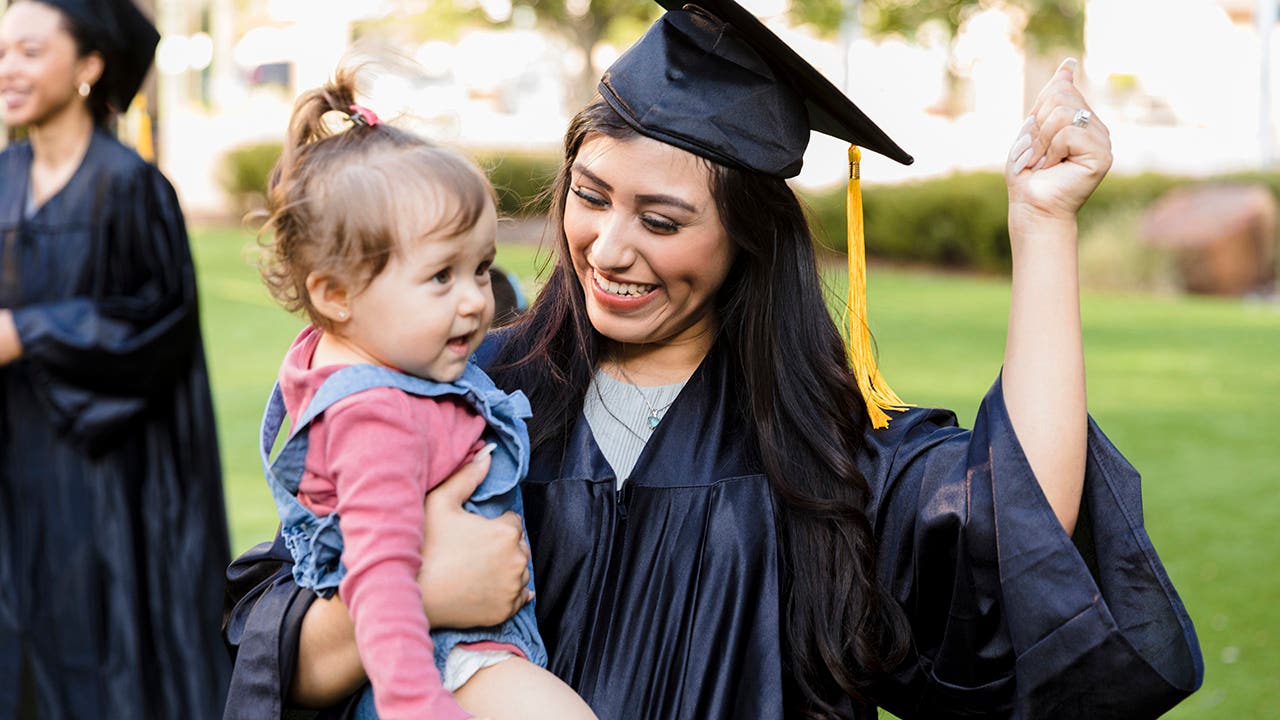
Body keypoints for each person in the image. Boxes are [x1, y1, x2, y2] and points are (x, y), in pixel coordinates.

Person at [223, 1, 1204, 718]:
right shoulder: (470, 392)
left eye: (660, 220)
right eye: (590, 196)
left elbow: (1016, 523)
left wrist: (1038, 228)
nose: (607, 248)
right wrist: (410, 601)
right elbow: (268, 648)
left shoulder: (818, 447)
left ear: (745, 239)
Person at [249, 68, 595, 720]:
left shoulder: (364, 365)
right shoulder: (376, 418)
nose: (476, 300)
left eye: (481, 268)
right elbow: (381, 584)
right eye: (441, 276)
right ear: (335, 295)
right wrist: (419, 706)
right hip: (445, 665)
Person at [0, 0, 230, 717]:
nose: (8, 68)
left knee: (104, 648)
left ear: (88, 67)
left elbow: (159, 324)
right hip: (12, 461)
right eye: (2, 51)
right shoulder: (2, 177)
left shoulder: (130, 186)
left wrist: (31, 332)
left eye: (31, 52)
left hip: (107, 473)